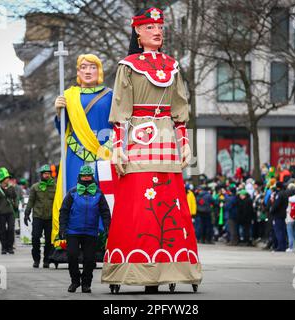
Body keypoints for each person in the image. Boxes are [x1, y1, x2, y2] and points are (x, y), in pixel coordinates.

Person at [102, 7, 202, 293]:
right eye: (150, 28)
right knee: (138, 204)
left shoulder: (173, 65)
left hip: (167, 139)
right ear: (138, 32)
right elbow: (121, 110)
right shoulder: (128, 65)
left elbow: (180, 109)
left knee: (170, 203)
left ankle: (174, 266)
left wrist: (185, 142)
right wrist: (118, 148)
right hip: (137, 139)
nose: (157, 32)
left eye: (160, 27)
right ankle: (135, 269)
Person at [52, 53, 114, 250]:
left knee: (102, 195)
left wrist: (110, 146)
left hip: (103, 155)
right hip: (75, 154)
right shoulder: (69, 96)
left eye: (92, 67)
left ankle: (103, 239)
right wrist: (58, 112)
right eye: (83, 67)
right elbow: (63, 128)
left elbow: (119, 124)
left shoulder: (110, 95)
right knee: (74, 192)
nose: (88, 71)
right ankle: (70, 240)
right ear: (78, 72)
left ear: (99, 70)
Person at [59, 166, 111, 293]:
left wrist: (107, 227)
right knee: (72, 256)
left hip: (91, 232)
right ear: (80, 177)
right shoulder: (72, 192)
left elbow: (105, 212)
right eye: (84, 175)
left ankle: (86, 283)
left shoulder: (98, 193)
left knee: (89, 260)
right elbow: (64, 211)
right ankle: (75, 281)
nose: (86, 178)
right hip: (73, 231)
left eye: (88, 176)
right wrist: (62, 228)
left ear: (92, 177)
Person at [24, 165, 56, 268]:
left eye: (48, 173)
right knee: (35, 238)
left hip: (50, 217)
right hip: (38, 216)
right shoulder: (35, 187)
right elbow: (31, 201)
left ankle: (46, 260)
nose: (47, 175)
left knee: (49, 241)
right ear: (41, 175)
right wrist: (26, 213)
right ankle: (36, 260)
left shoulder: (55, 187)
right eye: (45, 173)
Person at [0, 168, 18, 254]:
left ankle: (10, 247)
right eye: (7, 178)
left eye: (8, 178)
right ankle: (4, 247)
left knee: (11, 229)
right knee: (2, 231)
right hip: (1, 214)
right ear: (3, 179)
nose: (8, 179)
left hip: (10, 213)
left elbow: (15, 197)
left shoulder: (11, 188)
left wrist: (16, 205)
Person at [269, 182, 288, 251]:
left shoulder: (279, 194)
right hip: (283, 214)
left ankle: (280, 246)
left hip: (277, 215)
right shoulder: (285, 193)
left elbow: (276, 204)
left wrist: (271, 209)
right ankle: (283, 246)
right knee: (282, 231)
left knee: (278, 231)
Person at [285, 184, 295, 253]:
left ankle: (291, 247)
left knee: (290, 234)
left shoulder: (289, 199)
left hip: (289, 218)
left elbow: (287, 209)